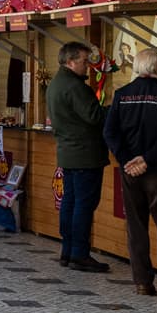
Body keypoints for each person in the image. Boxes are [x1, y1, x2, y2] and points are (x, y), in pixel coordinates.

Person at [104, 47, 157, 298]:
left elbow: (110, 132)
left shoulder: (122, 94)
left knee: (136, 227)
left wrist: (128, 160)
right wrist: (147, 159)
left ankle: (142, 282)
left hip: (130, 173)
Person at [47, 41, 111, 273]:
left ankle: (68, 250)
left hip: (68, 153)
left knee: (70, 203)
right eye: (84, 61)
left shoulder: (56, 84)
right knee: (84, 204)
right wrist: (114, 108)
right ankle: (80, 253)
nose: (88, 66)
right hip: (85, 154)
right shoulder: (75, 87)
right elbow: (94, 116)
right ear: (71, 61)